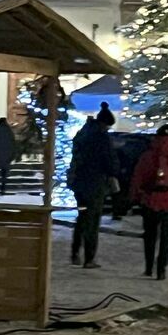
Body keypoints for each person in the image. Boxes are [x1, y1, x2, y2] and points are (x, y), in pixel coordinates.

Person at [131, 126, 168, 280]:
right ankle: (161, 269)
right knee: (167, 237)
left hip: (150, 199)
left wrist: (135, 196)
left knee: (150, 236)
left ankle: (149, 266)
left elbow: (138, 177)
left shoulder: (147, 156)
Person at [67, 103, 119, 268]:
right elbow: (110, 162)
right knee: (92, 220)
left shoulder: (83, 134)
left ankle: (75, 253)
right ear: (105, 124)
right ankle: (89, 257)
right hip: (94, 183)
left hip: (79, 183)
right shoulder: (101, 138)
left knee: (82, 217)